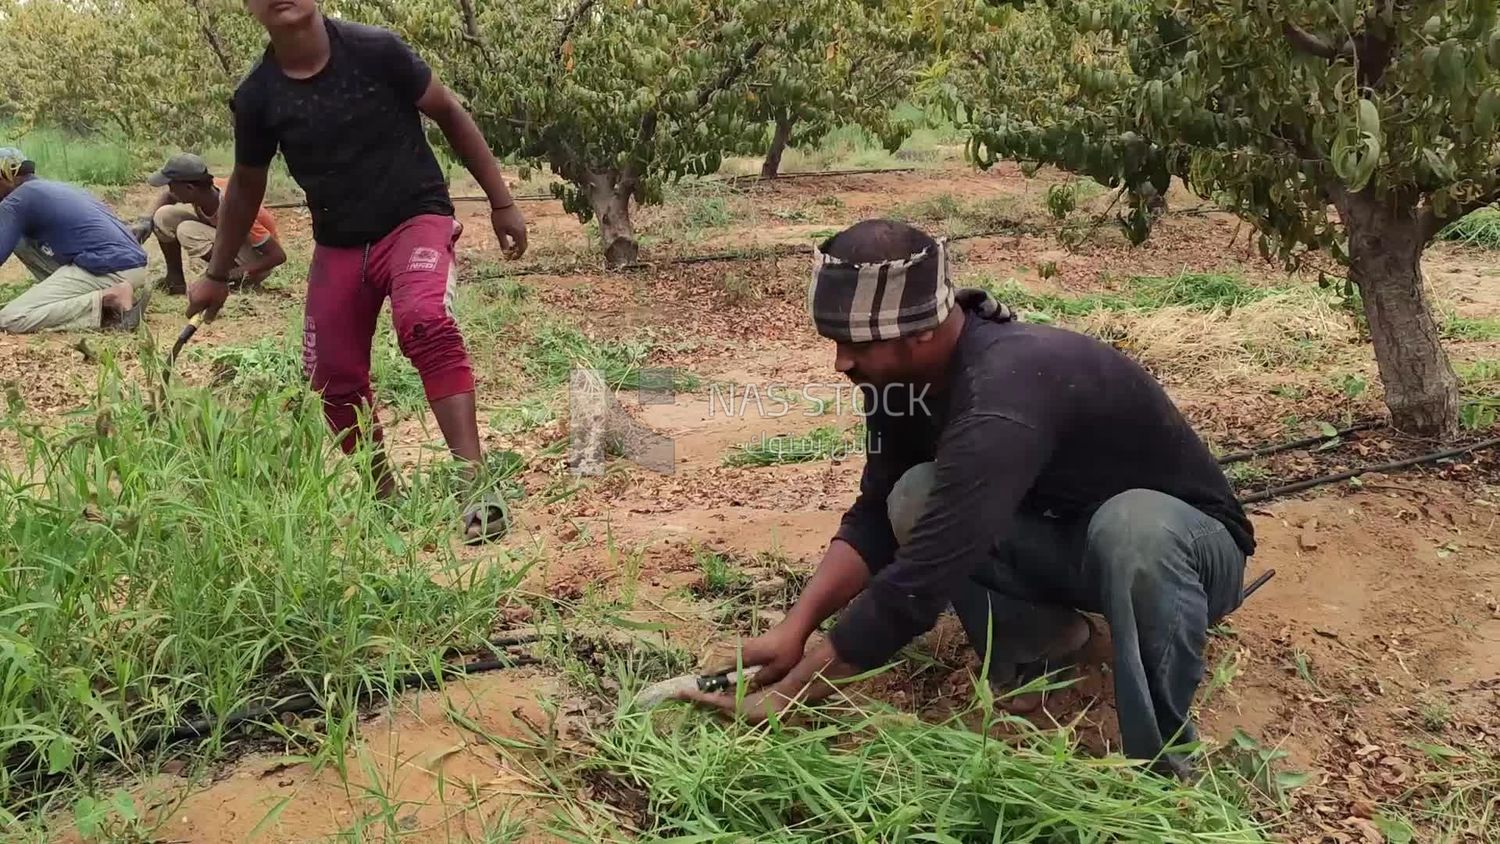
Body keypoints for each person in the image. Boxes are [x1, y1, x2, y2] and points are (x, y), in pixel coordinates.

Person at [684, 219, 1256, 778]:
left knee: (1133, 525)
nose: (841, 364)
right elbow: (876, 518)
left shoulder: (1003, 394)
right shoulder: (899, 387)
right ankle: (1044, 642)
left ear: (921, 334)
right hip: (1070, 542)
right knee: (913, 494)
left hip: (1189, 555)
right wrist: (796, 628)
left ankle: (1160, 767)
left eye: (854, 344)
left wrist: (796, 691)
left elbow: (930, 571)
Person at [187, 0, 529, 542]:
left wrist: (501, 201)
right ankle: (383, 495)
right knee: (330, 375)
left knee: (424, 320)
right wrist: (218, 271)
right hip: (341, 242)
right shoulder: (258, 97)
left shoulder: (376, 51)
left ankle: (475, 486)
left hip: (415, 217)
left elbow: (448, 111)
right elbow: (247, 184)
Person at [0, 148, 150, 334]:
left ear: (4, 177)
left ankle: (108, 301)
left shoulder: (16, 201)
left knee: (11, 318)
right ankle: (93, 294)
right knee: (20, 240)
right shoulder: (54, 188)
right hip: (133, 266)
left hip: (107, 267)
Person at [134, 153, 285, 294]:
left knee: (187, 230)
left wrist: (238, 273)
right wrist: (146, 220)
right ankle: (175, 279)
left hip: (255, 262)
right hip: (232, 244)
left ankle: (225, 279)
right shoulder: (205, 190)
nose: (170, 191)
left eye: (171, 186)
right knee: (163, 216)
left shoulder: (234, 207)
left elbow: (277, 255)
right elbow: (167, 197)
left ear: (189, 188)